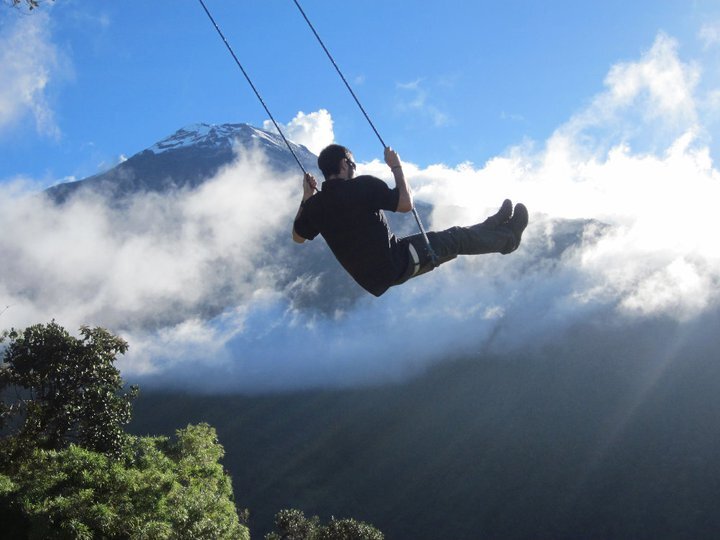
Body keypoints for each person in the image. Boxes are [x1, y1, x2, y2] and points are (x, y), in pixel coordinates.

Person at [292, 144, 528, 297]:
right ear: (345, 164)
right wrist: (396, 167)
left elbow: (298, 237)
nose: (354, 168)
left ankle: (493, 227)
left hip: (374, 277)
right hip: (396, 261)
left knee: (454, 237)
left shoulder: (315, 206)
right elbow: (406, 204)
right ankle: (509, 239)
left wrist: (306, 196)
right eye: (353, 164)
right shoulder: (361, 186)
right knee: (455, 239)